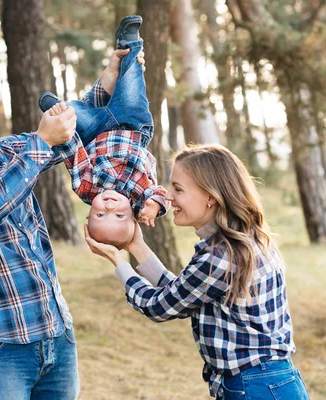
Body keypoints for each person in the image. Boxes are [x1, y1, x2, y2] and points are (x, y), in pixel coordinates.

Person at [0, 16, 144, 399]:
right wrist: (41, 141)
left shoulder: (0, 152)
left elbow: (72, 130)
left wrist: (110, 83)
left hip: (55, 334)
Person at [85, 144, 310, 399]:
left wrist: (118, 262)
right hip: (268, 382)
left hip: (255, 386)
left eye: (178, 189)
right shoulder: (239, 242)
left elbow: (160, 306)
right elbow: (183, 293)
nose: (168, 197)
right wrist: (136, 246)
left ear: (210, 197)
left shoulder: (221, 256)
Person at [39, 15, 167, 250]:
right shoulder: (138, 194)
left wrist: (61, 119)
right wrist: (154, 206)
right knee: (131, 81)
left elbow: (73, 152)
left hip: (95, 131)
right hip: (133, 125)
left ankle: (59, 108)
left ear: (88, 217)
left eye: (100, 216)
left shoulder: (86, 187)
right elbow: (158, 192)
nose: (110, 207)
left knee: (76, 116)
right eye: (119, 216)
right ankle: (130, 42)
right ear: (133, 216)